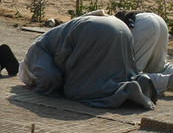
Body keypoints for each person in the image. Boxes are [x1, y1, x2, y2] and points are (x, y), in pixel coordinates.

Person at [18, 12, 157, 109]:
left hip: (93, 30)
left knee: (78, 90)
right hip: (119, 26)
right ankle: (139, 81)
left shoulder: (35, 51)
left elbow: (50, 77)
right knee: (117, 73)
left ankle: (127, 89)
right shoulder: (47, 40)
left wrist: (41, 90)